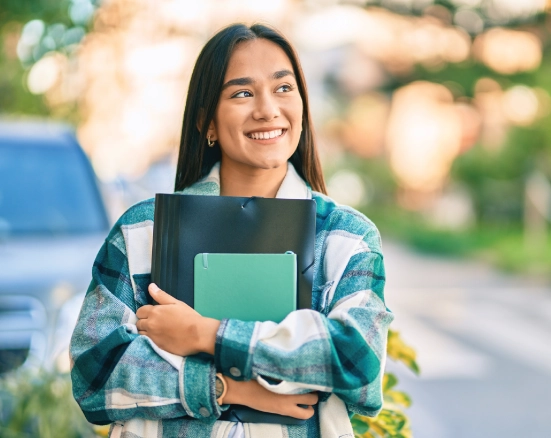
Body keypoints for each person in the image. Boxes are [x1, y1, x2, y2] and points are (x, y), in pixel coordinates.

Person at [70, 23, 394, 438]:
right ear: (206, 120)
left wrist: (205, 334)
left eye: (283, 88)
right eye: (242, 93)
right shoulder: (143, 231)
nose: (267, 109)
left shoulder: (345, 237)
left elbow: (356, 361)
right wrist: (228, 389)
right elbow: (94, 375)